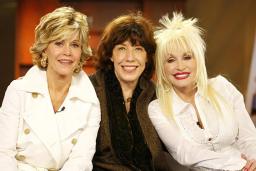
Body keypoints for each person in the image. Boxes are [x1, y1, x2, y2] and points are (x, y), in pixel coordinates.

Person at [148, 12, 256, 171]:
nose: (180, 66)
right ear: (161, 66)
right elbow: (185, 153)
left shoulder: (222, 87)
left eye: (187, 57)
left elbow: (248, 136)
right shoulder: (157, 108)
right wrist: (238, 166)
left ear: (198, 59)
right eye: (171, 60)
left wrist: (253, 159)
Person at [0, 7, 100, 171]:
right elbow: (3, 153)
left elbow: (81, 161)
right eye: (59, 43)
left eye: (74, 45)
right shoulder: (18, 91)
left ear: (81, 52)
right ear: (45, 48)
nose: (67, 52)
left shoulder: (91, 101)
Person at [90, 12, 181, 171]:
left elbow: (180, 147)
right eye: (122, 48)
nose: (130, 58)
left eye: (138, 49)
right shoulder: (90, 89)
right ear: (111, 55)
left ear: (147, 57)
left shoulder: (159, 95)